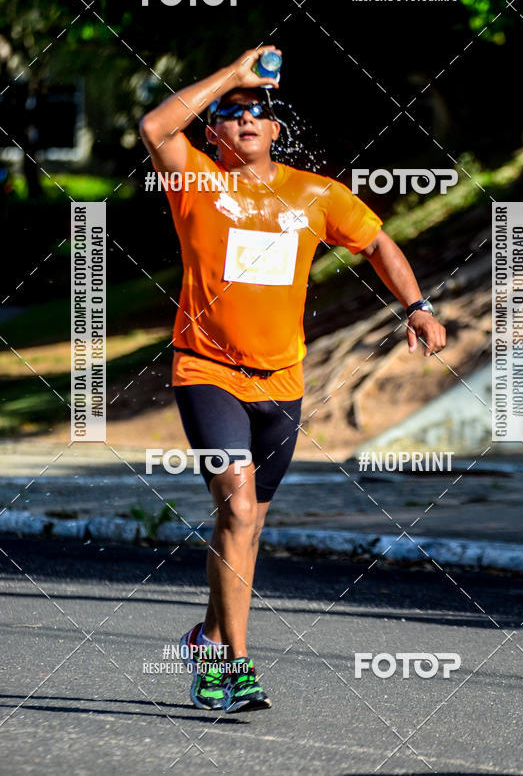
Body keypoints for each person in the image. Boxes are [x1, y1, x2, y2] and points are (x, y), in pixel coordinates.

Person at [139, 45, 446, 714]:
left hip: (283, 384)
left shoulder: (315, 193)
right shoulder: (196, 183)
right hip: (208, 371)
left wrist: (417, 307)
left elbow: (378, 243)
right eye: (231, 113)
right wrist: (234, 73)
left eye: (259, 112)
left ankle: (208, 639)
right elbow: (156, 128)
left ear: (277, 130)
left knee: (246, 528)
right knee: (237, 507)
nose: (247, 118)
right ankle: (232, 666)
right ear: (213, 132)